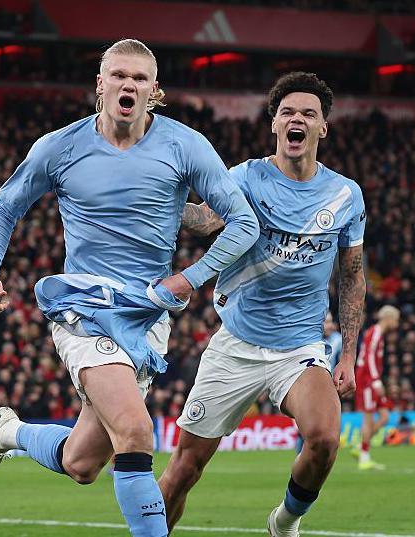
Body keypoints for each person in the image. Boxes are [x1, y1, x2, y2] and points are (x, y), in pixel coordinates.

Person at [0, 39, 259, 537]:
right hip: (83, 307)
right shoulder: (59, 147)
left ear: (155, 91)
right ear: (100, 85)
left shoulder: (184, 146)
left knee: (82, 463)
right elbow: (5, 206)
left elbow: (243, 223)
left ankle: (7, 433)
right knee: (137, 431)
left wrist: (188, 278)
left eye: (140, 78)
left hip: (147, 314)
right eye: (118, 75)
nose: (129, 84)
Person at [157, 72, 367, 537]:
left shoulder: (346, 195)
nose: (298, 119)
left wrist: (349, 352)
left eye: (308, 114)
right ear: (274, 123)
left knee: (325, 440)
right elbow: (205, 220)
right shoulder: (245, 177)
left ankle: (285, 522)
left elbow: (351, 276)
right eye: (288, 112)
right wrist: (161, 196)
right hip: (236, 343)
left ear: (322, 127)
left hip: (300, 347)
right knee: (182, 471)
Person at [354, 305, 400, 470]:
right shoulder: (375, 332)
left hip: (372, 379)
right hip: (367, 380)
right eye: (396, 319)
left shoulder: (378, 333)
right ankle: (364, 458)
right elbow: (370, 358)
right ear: (388, 318)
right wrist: (375, 381)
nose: (397, 323)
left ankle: (361, 447)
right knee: (368, 417)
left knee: (385, 416)